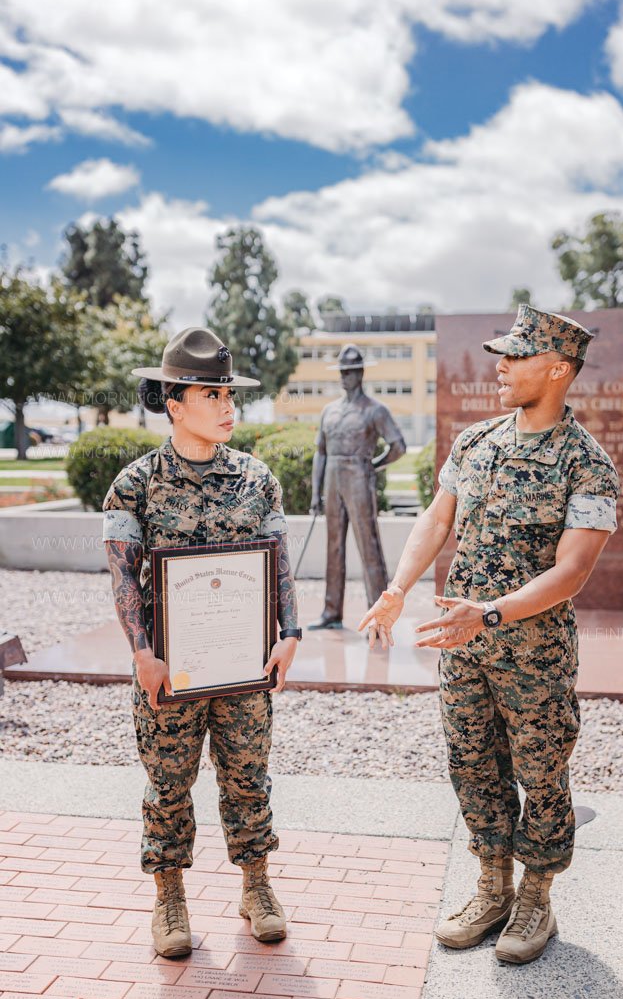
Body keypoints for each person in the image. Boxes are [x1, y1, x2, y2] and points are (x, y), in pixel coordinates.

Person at [359, 305, 619, 965]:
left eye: (516, 356)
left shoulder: (587, 463)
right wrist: (395, 591)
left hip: (535, 659)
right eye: (500, 354)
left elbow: (573, 571)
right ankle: (492, 887)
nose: (499, 366)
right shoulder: (473, 443)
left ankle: (536, 896)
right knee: (473, 767)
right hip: (463, 650)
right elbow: (435, 520)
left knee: (541, 773)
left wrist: (491, 613)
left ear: (557, 369)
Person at [102, 326, 302, 958]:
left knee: (249, 776)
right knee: (168, 783)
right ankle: (169, 896)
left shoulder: (258, 478)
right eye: (211, 394)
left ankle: (256, 886)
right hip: (171, 669)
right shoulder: (134, 484)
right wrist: (141, 653)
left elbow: (278, 560)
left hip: (243, 666)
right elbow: (123, 577)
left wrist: (290, 632)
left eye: (229, 393)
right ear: (174, 404)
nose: (226, 406)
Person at [308, 343, 406, 630]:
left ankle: (378, 614)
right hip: (333, 479)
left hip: (359, 476)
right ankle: (331, 611)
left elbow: (398, 446)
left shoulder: (375, 410)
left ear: (360, 373)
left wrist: (373, 464)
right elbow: (321, 453)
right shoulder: (329, 411)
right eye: (341, 371)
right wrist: (316, 493)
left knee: (369, 546)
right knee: (334, 546)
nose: (344, 377)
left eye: (349, 372)